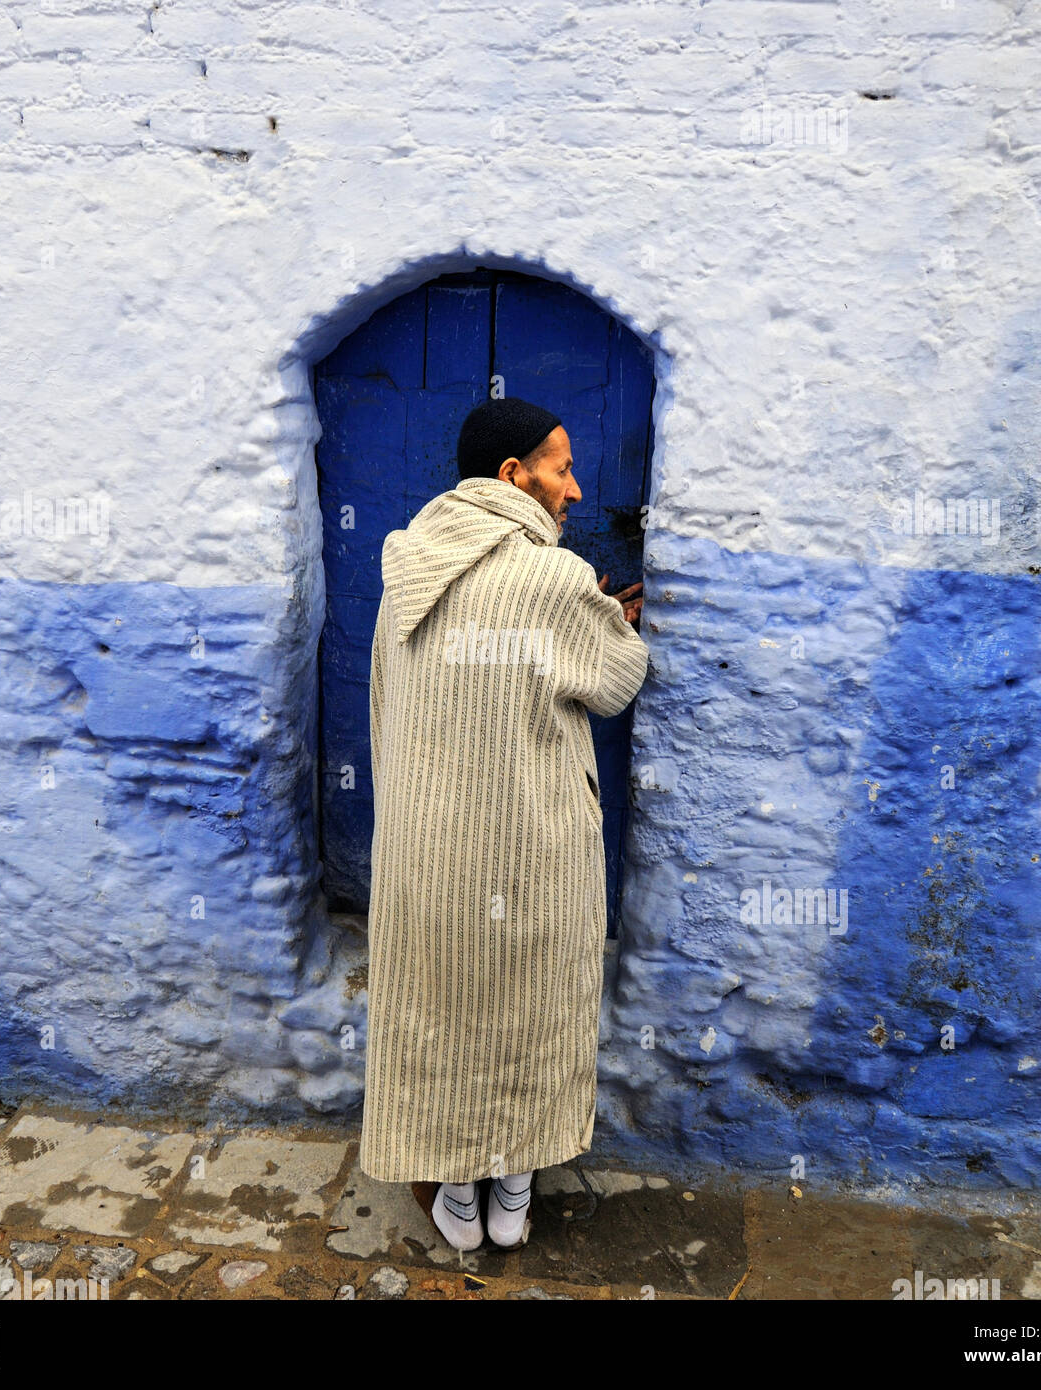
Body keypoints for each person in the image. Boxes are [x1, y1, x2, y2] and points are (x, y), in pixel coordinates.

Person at [358, 396, 649, 1251]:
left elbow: (384, 700)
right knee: (533, 1004)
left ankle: (454, 1190)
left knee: (439, 1008)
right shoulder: (553, 579)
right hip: (531, 848)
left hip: (425, 851)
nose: (576, 488)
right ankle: (515, 1186)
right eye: (561, 468)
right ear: (514, 476)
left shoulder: (406, 571)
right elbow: (616, 680)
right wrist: (614, 622)